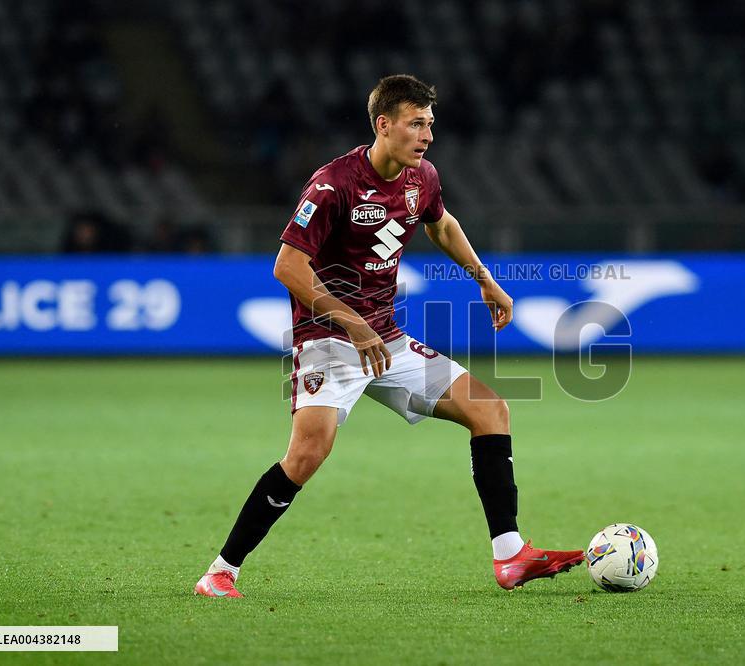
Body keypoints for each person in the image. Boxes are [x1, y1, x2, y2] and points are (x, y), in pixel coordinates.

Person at [195, 75, 583, 598]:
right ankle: (220, 571)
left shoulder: (421, 178)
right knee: (308, 455)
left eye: (430, 125)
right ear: (384, 125)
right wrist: (351, 323)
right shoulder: (333, 184)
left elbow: (441, 225)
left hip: (386, 340)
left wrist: (485, 280)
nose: (426, 135)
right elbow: (288, 267)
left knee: (489, 410)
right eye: (415, 124)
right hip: (328, 341)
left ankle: (510, 554)